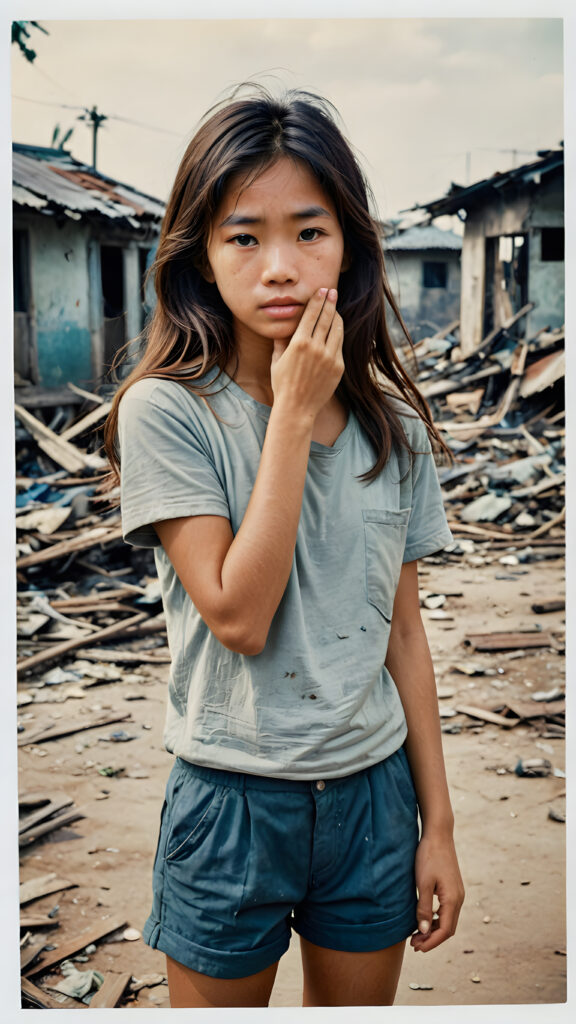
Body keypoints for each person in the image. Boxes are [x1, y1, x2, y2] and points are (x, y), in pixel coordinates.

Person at [104, 86, 464, 1008]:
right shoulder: (168, 412)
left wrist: (439, 826)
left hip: (374, 798)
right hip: (233, 802)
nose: (279, 268)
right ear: (200, 256)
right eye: (243, 236)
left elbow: (405, 636)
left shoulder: (395, 432)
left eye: (309, 232)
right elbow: (238, 616)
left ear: (349, 247)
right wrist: (296, 411)